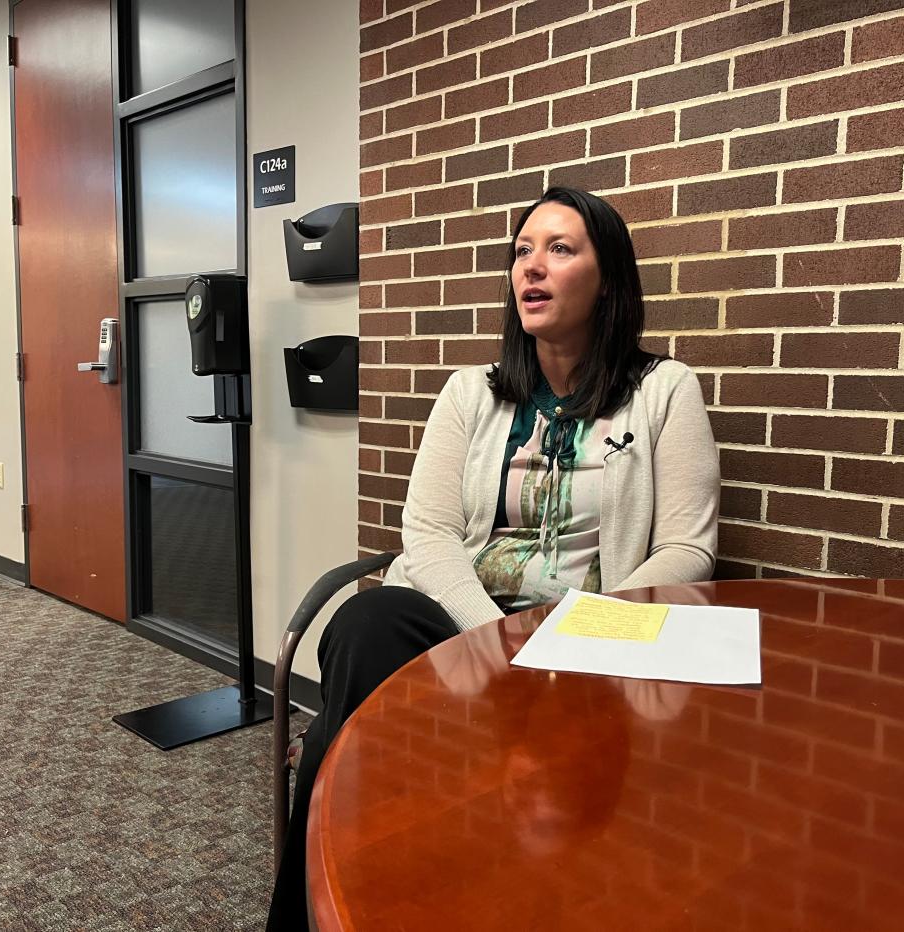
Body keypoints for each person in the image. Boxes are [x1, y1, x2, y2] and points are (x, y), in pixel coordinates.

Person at [266, 186, 720, 930]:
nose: (532, 268)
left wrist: (578, 631)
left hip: (593, 639)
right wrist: (499, 639)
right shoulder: (472, 394)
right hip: (470, 627)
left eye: (561, 249)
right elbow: (430, 534)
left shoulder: (664, 391)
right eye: (521, 252)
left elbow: (686, 548)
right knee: (367, 621)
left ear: (609, 280)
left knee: (332, 735)